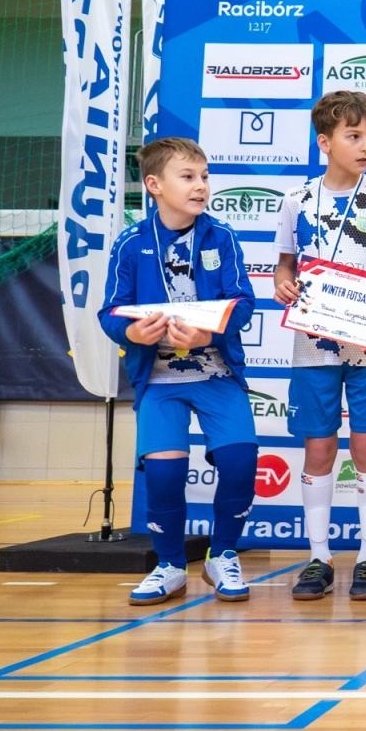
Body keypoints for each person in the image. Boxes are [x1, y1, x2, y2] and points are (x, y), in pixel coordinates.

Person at [101, 138, 259, 605]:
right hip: (161, 382)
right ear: (154, 185)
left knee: (239, 462)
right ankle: (169, 565)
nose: (200, 186)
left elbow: (243, 303)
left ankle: (223, 555)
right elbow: (111, 313)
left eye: (204, 176)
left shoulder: (222, 236)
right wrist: (134, 334)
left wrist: (209, 336)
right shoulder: (131, 244)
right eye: (187, 177)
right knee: (165, 475)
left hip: (216, 374)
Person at [273, 91, 366, 602]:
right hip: (313, 344)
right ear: (324, 142)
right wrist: (283, 284)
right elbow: (286, 264)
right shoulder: (297, 200)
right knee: (319, 446)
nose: (365, 145)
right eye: (354, 136)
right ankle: (319, 557)